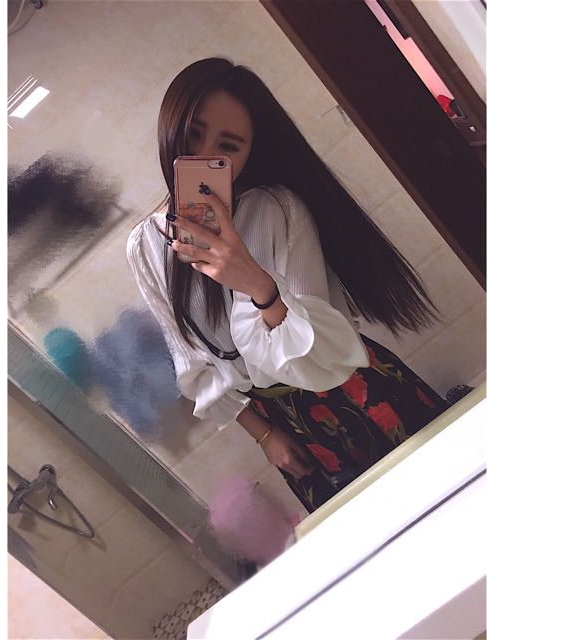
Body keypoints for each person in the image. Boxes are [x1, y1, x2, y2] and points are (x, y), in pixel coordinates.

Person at [127, 58, 448, 513]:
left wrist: (255, 282)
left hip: (355, 391)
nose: (203, 154)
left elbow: (319, 352)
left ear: (248, 154)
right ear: (169, 126)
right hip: (286, 428)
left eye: (227, 146)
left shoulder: (277, 209)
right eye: (193, 134)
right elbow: (193, 364)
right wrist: (264, 435)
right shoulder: (145, 246)